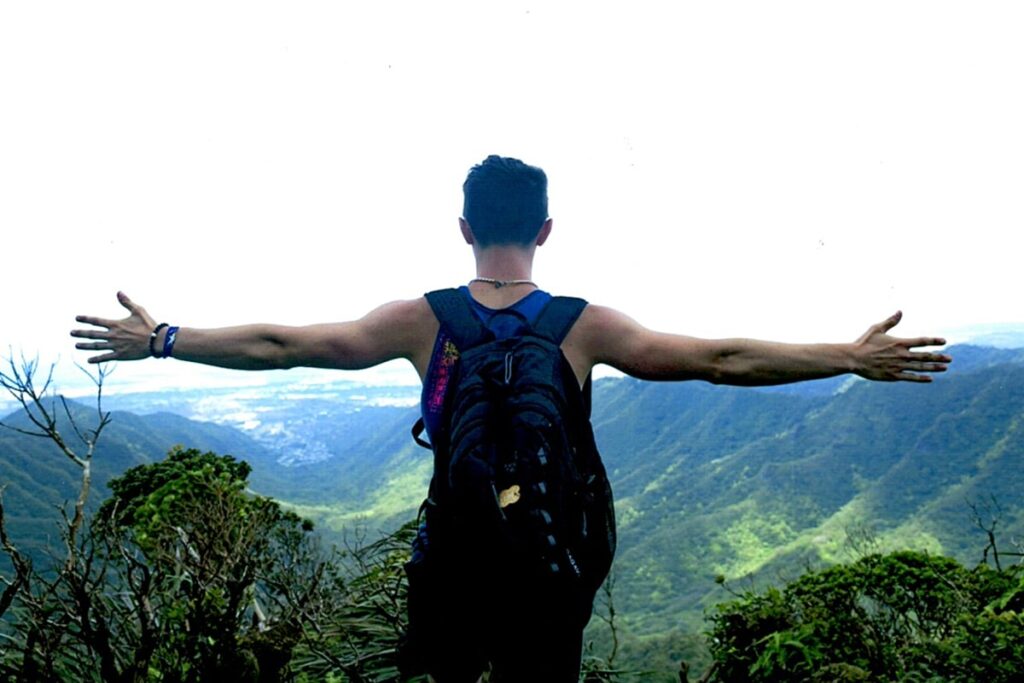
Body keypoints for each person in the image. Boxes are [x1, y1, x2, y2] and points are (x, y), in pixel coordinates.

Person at [72, 155, 951, 682]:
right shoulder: (584, 325)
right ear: (546, 228)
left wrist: (165, 339)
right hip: (549, 570)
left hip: (454, 565)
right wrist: (846, 355)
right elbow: (721, 360)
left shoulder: (419, 319)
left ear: (463, 228)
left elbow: (282, 344)